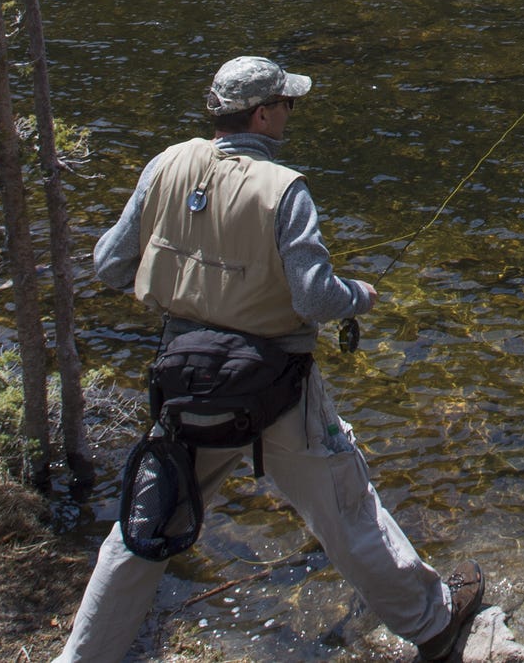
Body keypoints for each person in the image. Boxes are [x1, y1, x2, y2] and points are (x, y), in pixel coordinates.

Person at [53, 56, 487, 663]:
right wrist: (359, 295)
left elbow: (110, 265)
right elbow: (313, 297)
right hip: (278, 387)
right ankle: (433, 624)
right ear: (263, 113)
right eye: (288, 104)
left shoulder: (165, 165)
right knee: (345, 506)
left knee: (143, 525)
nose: (290, 113)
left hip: (186, 379)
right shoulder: (285, 189)